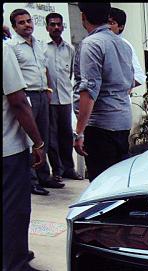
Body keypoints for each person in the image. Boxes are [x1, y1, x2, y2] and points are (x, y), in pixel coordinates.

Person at [3, 42, 51, 271]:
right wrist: (38, 142)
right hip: (7, 147)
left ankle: (12, 253)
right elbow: (18, 101)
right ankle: (14, 264)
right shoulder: (4, 51)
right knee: (15, 208)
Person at [73, 2, 135, 182]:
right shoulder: (123, 44)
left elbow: (89, 91)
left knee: (101, 184)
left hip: (100, 126)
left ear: (83, 16)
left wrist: (79, 132)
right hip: (122, 121)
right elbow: (130, 82)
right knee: (117, 183)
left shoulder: (91, 44)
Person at [8, 8, 64, 195]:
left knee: (44, 136)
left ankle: (44, 176)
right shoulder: (12, 46)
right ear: (14, 26)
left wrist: (48, 89)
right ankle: (31, 180)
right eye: (22, 22)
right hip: (27, 96)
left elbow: (44, 69)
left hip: (42, 95)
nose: (27, 25)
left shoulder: (39, 44)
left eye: (29, 21)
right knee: (31, 138)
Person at [45, 12, 82, 181]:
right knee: (52, 138)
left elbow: (71, 74)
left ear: (63, 27)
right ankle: (57, 170)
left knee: (66, 135)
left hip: (65, 99)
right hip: (50, 100)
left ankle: (69, 169)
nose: (56, 27)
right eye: (52, 25)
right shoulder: (42, 48)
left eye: (59, 24)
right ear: (47, 28)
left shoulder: (70, 49)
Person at [107, 7, 146, 88]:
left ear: (121, 27)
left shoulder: (124, 45)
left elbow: (139, 77)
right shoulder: (99, 43)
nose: (108, 26)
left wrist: (120, 90)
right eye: (105, 23)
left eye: (112, 23)